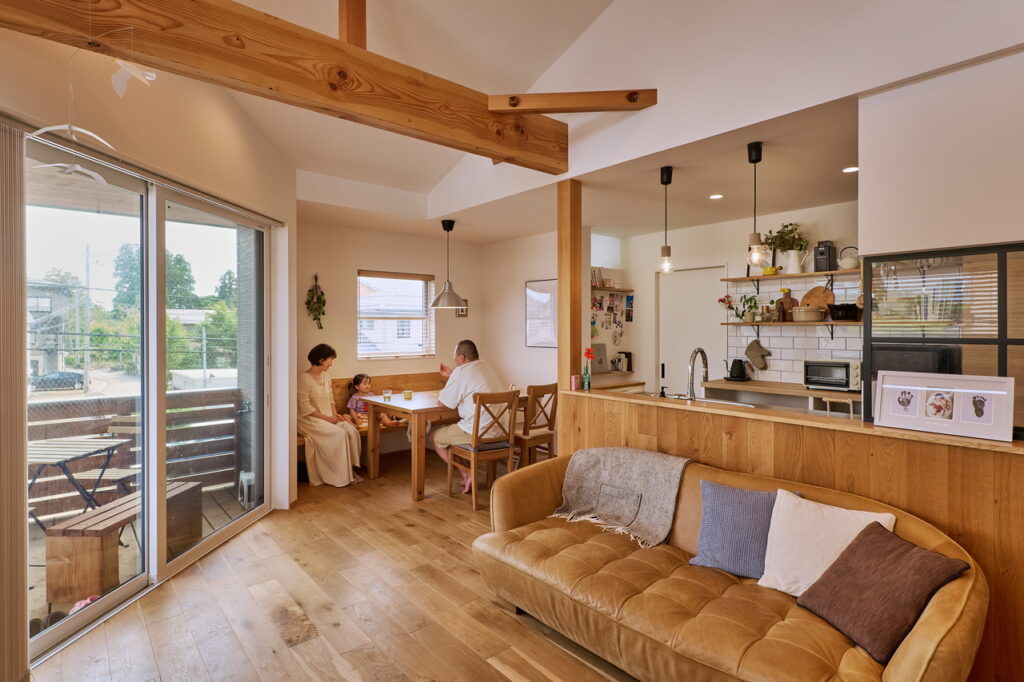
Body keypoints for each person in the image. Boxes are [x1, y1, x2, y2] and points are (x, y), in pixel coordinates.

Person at [431, 339, 504, 493]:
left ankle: (466, 473)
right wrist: (453, 376)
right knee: (452, 432)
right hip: (500, 432)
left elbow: (442, 403)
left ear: (461, 357)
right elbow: (471, 383)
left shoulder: (461, 372)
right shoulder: (486, 366)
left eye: (454, 356)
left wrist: (454, 376)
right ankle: (468, 472)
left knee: (436, 437)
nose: (454, 359)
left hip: (478, 434)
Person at [297, 344, 363, 487]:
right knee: (339, 433)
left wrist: (335, 414)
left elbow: (331, 400)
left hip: (328, 415)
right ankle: (339, 475)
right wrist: (327, 419)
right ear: (321, 360)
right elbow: (305, 407)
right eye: (330, 359)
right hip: (309, 419)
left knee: (351, 430)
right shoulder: (303, 378)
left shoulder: (326, 376)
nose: (331, 363)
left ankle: (350, 469)